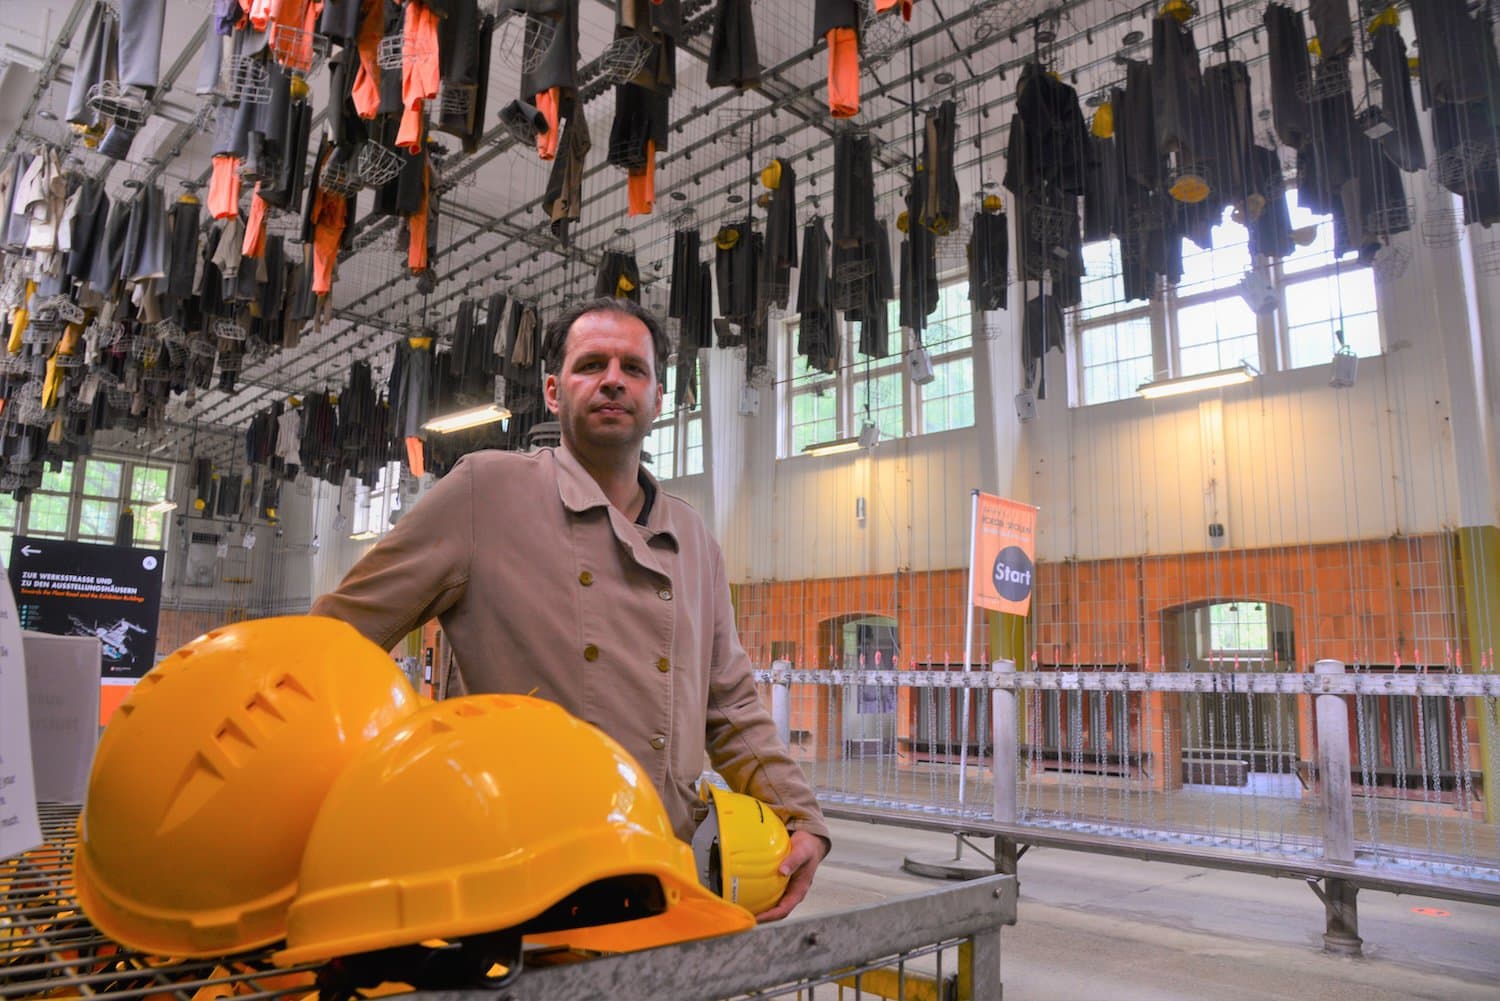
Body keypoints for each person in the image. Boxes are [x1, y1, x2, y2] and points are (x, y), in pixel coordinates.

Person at [310, 296, 829, 921]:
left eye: (633, 369)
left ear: (658, 399)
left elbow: (732, 706)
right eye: (592, 365)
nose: (614, 379)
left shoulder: (694, 541)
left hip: (658, 876)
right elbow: (331, 645)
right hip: (505, 882)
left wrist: (803, 817)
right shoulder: (486, 491)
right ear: (554, 392)